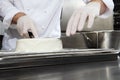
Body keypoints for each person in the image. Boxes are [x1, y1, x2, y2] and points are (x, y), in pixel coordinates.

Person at [0, 0, 114, 51]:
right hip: (15, 49)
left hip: (51, 50)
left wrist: (95, 5)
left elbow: (105, 2)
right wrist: (18, 17)